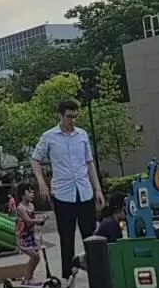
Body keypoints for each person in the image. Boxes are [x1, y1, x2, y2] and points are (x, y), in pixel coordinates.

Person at [32, 99, 105, 277]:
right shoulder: (49, 136)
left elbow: (89, 163)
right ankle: (68, 275)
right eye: (69, 116)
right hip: (63, 193)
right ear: (60, 115)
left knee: (91, 235)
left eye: (75, 116)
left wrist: (97, 189)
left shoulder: (82, 135)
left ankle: (96, 274)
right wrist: (42, 182)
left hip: (84, 191)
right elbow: (35, 159)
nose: (72, 120)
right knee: (66, 236)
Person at [13, 183, 47, 286]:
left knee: (36, 258)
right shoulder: (20, 208)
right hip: (23, 237)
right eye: (29, 192)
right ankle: (27, 278)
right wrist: (39, 221)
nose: (32, 194)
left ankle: (27, 278)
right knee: (34, 256)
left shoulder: (31, 206)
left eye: (33, 192)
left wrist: (41, 220)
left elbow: (33, 219)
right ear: (22, 194)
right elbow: (28, 220)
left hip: (31, 236)